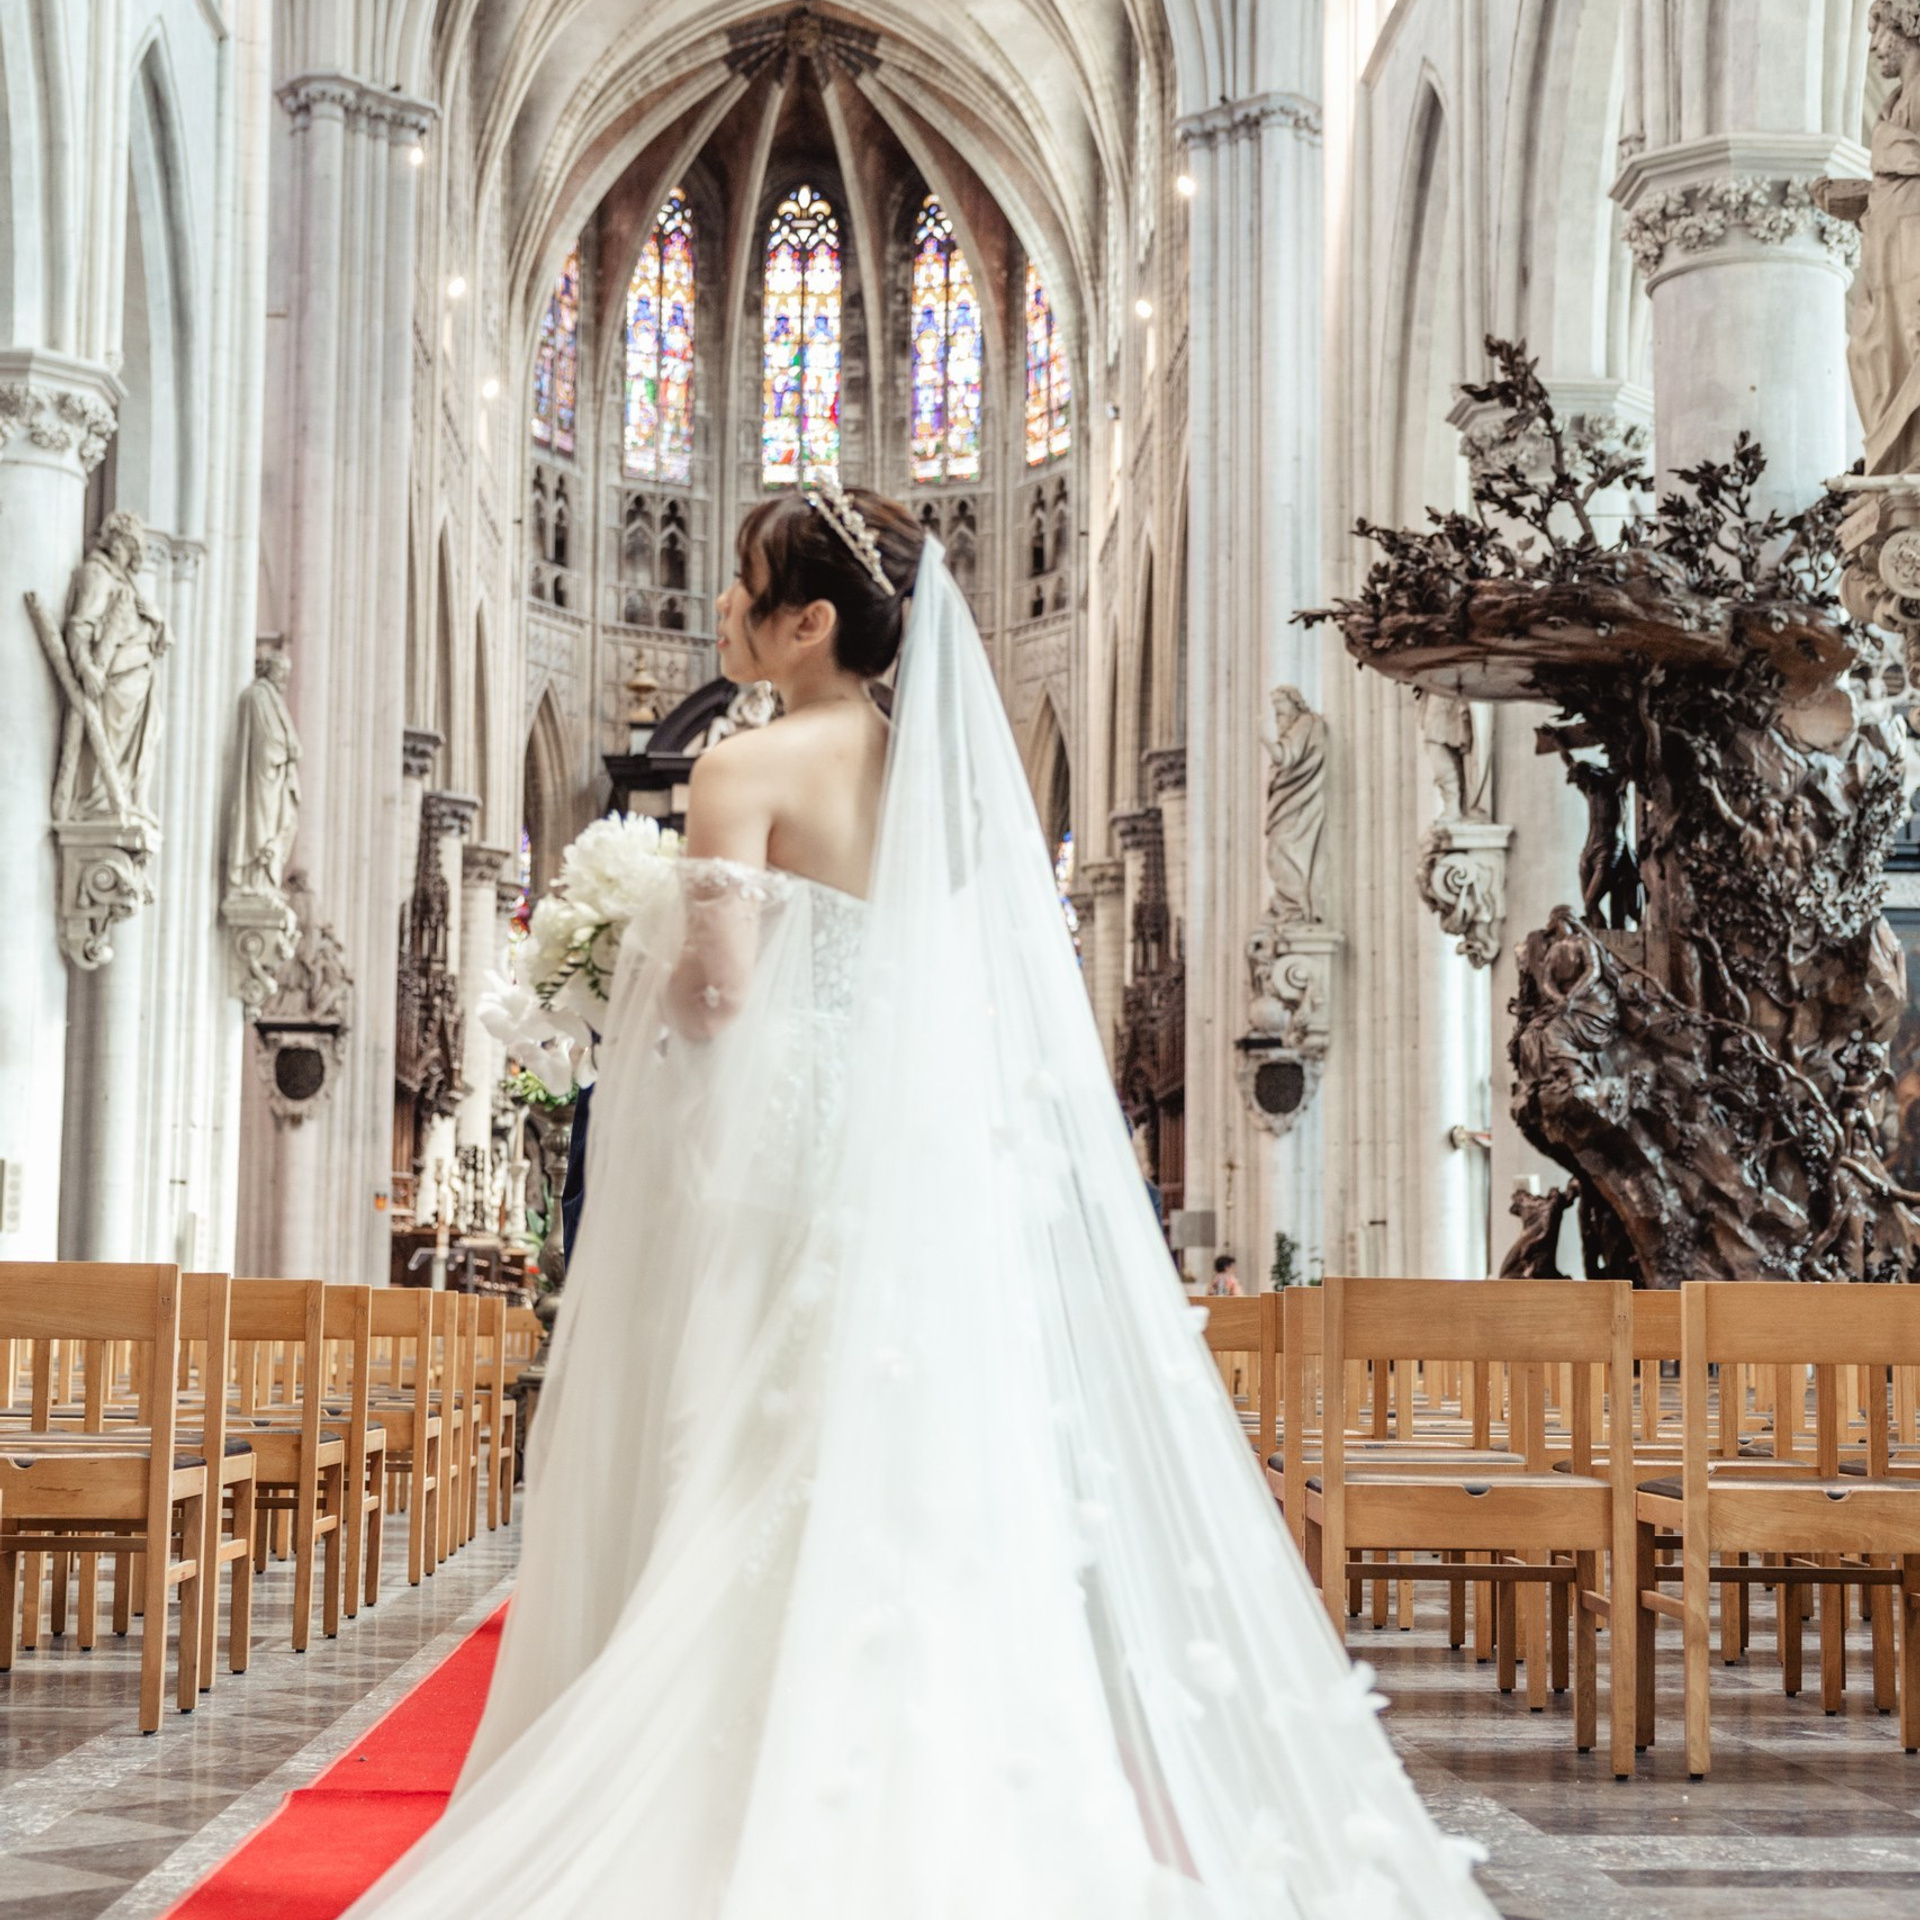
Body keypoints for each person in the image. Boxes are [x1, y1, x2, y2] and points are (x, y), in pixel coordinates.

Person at [350, 484, 1492, 1918]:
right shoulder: (940, 776)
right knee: (904, 1451)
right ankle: (923, 1788)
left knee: (755, 1439)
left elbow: (718, 999)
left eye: (745, 585)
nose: (724, 607)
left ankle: (747, 1803)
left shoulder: (742, 769)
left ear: (809, 623)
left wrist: (617, 962)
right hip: (911, 1149)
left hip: (778, 1154)